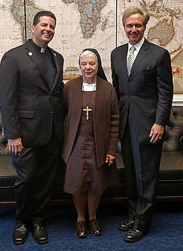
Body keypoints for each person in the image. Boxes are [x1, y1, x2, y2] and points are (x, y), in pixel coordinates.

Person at [0, 11, 64, 245]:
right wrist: (13, 134)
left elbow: (55, 95)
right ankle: (22, 221)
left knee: (46, 180)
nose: (48, 29)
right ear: (33, 27)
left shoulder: (58, 57)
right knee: (26, 180)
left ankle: (38, 221)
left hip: (52, 133)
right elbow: (7, 99)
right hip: (24, 135)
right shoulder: (14, 56)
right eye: (44, 25)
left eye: (52, 26)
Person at [111, 6, 173, 243]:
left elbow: (165, 92)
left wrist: (160, 122)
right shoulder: (116, 54)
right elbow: (117, 89)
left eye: (138, 25)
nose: (133, 29)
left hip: (149, 124)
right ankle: (132, 215)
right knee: (130, 174)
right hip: (125, 122)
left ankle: (143, 224)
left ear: (144, 27)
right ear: (124, 26)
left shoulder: (159, 54)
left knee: (146, 175)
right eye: (129, 25)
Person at [62, 49, 119, 238]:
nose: (88, 67)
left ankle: (93, 217)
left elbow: (115, 120)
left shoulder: (108, 89)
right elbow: (63, 116)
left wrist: (111, 150)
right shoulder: (69, 87)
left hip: (98, 145)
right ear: (80, 66)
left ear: (98, 66)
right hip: (75, 145)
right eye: (84, 64)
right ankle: (80, 218)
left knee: (96, 183)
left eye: (92, 64)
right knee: (77, 183)